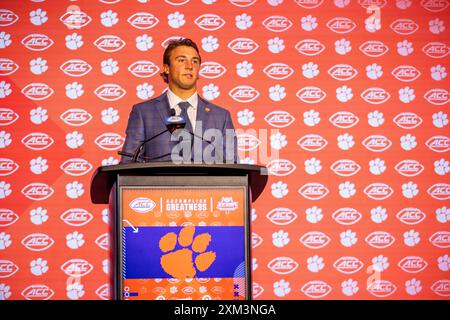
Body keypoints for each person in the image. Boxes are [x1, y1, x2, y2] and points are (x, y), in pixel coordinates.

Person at [120, 38, 238, 164]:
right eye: (182, 60)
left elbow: (232, 166)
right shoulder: (144, 113)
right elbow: (129, 163)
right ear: (166, 68)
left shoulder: (221, 116)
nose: (190, 66)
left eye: (195, 61)